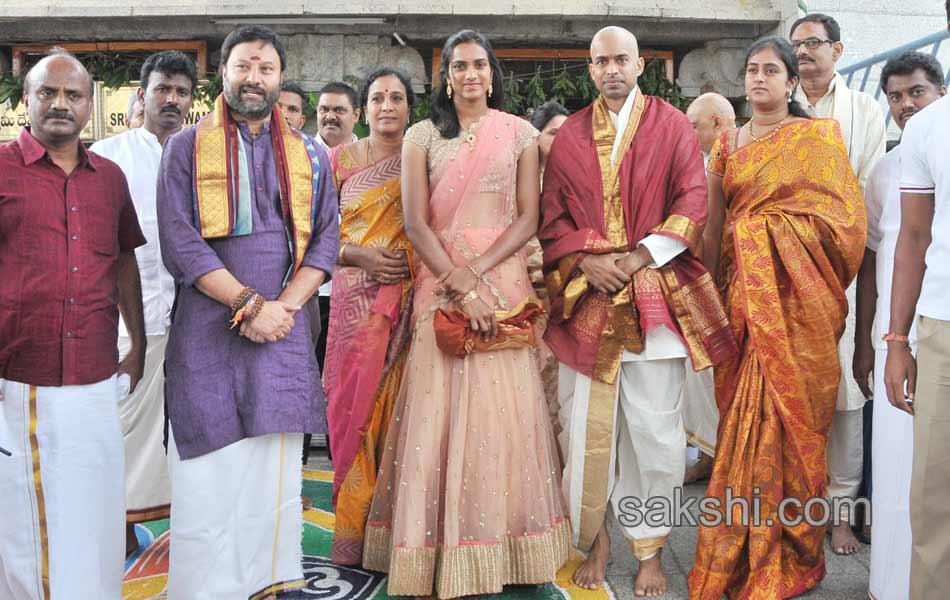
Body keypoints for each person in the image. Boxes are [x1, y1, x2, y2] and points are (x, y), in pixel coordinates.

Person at [362, 30, 570, 598]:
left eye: (480, 64)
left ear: (493, 73)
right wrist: (457, 281)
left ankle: (503, 547)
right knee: (438, 411)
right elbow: (415, 222)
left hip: (501, 279)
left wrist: (479, 277)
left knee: (503, 412)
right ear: (446, 76)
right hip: (440, 278)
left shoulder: (521, 133)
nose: (471, 74)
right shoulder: (422, 137)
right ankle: (432, 551)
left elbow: (528, 218)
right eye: (460, 66)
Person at [540, 26, 735, 596]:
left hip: (654, 293)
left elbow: (693, 202)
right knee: (584, 430)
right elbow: (552, 218)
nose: (611, 70)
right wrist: (585, 258)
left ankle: (649, 548)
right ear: (590, 67)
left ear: (641, 64)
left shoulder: (673, 126)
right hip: (589, 297)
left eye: (621, 59)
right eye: (601, 61)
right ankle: (595, 540)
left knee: (654, 431)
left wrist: (640, 255)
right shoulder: (571, 135)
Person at [156, 26, 339, 599]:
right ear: (225, 74)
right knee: (209, 470)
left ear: (280, 78)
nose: (253, 78)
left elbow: (326, 241)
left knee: (272, 472)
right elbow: (180, 241)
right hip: (209, 331)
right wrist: (245, 304)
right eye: (243, 66)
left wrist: (282, 308)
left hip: (282, 330)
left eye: (264, 68)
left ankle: (265, 582)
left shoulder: (310, 153)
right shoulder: (186, 147)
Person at [689, 36, 866, 599]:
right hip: (744, 306)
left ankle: (794, 547)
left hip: (800, 311)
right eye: (751, 70)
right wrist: (710, 297)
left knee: (795, 427)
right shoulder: (728, 143)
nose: (758, 78)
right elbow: (714, 230)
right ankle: (737, 552)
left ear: (792, 81)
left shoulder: (818, 140)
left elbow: (846, 230)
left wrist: (769, 233)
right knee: (742, 424)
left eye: (770, 70)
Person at [0, 50, 147, 600]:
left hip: (93, 373)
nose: (61, 103)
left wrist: (137, 342)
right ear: (25, 101)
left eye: (73, 95)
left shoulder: (109, 179)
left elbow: (124, 261)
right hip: (19, 375)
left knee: (93, 505)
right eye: (47, 93)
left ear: (90, 105)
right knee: (24, 515)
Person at [90, 50, 197, 558]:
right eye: (162, 89)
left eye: (180, 91)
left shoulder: (203, 155)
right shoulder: (108, 155)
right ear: (142, 95)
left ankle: (184, 523)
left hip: (196, 318)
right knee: (123, 423)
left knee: (185, 427)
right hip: (124, 320)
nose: (171, 99)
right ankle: (119, 523)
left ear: (191, 100)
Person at [790, 12, 887, 554]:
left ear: (838, 49)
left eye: (814, 44)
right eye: (797, 45)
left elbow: (868, 189)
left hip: (840, 270)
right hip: (784, 273)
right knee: (792, 388)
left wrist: (834, 246)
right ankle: (796, 506)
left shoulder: (865, 111)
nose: (804, 53)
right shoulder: (780, 107)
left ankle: (842, 513)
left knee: (846, 395)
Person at [857, 50, 945, 600]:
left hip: (934, 326)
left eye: (915, 92)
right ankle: (889, 585)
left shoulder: (934, 137)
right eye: (894, 96)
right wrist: (877, 342)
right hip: (902, 334)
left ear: (939, 90)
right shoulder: (885, 170)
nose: (905, 105)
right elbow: (878, 256)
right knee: (901, 473)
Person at [324, 67, 415, 566]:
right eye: (377, 98)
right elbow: (312, 236)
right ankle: (352, 534)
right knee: (349, 413)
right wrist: (361, 257)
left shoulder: (422, 158)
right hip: (353, 303)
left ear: (409, 107)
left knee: (399, 415)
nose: (387, 106)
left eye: (396, 98)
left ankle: (392, 537)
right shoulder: (339, 160)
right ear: (364, 109)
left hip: (406, 305)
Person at [884, 6, 950, 597]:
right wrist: (897, 341)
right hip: (942, 328)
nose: (905, 101)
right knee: (935, 499)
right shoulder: (928, 128)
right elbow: (913, 237)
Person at [682, 92, 736, 484]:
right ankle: (707, 453)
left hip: (742, 280)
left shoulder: (744, 153)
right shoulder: (697, 163)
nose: (688, 133)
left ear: (718, 124)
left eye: (694, 126)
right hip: (702, 276)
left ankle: (733, 459)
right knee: (700, 368)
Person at [528, 99, 569, 443]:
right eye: (553, 133)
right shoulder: (522, 181)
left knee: (563, 391)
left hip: (567, 295)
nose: (561, 140)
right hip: (528, 293)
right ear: (535, 137)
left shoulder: (579, 181)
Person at [315, 81, 360, 151]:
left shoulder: (370, 158)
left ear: (355, 116)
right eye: (324, 109)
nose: (329, 117)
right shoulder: (301, 154)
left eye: (339, 110)